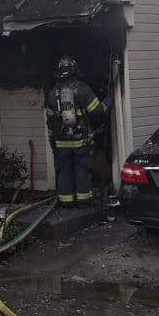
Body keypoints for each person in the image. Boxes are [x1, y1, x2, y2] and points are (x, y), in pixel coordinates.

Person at [44, 55, 108, 206]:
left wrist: (53, 141)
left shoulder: (53, 93)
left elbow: (51, 120)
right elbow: (97, 111)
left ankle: (66, 201)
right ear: (74, 71)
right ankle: (83, 200)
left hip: (61, 143)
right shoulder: (83, 89)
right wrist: (107, 103)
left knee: (65, 171)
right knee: (82, 169)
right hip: (80, 141)